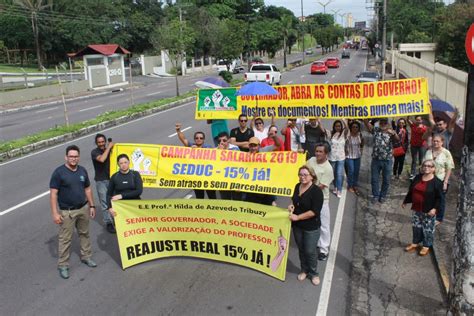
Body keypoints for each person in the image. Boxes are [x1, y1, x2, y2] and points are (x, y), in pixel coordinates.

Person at [49, 145, 97, 279]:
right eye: (71, 156)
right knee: (65, 239)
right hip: (67, 212)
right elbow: (53, 194)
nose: (73, 158)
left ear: (79, 157)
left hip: (83, 208)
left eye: (76, 156)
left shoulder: (82, 171)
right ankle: (63, 265)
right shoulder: (59, 173)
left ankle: (86, 256)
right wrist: (55, 213)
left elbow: (87, 189)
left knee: (84, 234)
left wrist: (92, 206)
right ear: (66, 157)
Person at [288, 165, 324, 286]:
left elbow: (314, 212)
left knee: (310, 250)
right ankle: (304, 269)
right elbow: (294, 200)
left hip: (311, 227)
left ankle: (314, 273)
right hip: (297, 226)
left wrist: (297, 217)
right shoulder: (297, 186)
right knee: (301, 249)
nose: (302, 177)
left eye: (305, 175)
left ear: (312, 177)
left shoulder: (317, 192)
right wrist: (291, 205)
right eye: (300, 174)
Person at [402, 159, 443, 256]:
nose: (426, 167)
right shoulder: (418, 177)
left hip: (428, 210)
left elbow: (439, 198)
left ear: (433, 169)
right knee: (416, 226)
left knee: (428, 228)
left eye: (429, 166)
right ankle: (415, 243)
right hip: (416, 208)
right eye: (425, 165)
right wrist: (405, 201)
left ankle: (426, 246)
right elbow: (411, 190)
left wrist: (434, 209)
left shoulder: (437, 182)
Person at [306, 143, 334, 261]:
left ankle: (324, 249)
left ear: (326, 153)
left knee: (324, 226)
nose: (317, 153)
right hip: (309, 198)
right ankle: (315, 242)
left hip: (321, 201)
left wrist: (305, 188)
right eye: (316, 151)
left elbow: (320, 186)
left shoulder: (328, 168)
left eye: (320, 152)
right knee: (312, 222)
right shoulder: (311, 160)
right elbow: (302, 170)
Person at [175, 123, 217, 199]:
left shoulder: (208, 147)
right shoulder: (191, 146)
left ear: (203, 140)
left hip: (208, 178)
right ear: (194, 139)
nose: (199, 139)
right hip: (196, 178)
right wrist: (178, 131)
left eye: (201, 138)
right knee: (199, 197)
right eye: (197, 138)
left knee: (212, 197)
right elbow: (183, 139)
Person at [364, 118, 399, 203]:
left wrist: (394, 134)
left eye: (385, 122)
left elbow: (397, 140)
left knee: (386, 179)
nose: (383, 124)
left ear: (387, 124)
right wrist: (366, 118)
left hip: (387, 160)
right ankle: (375, 195)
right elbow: (367, 124)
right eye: (381, 122)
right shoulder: (376, 130)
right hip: (376, 159)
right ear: (379, 123)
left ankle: (382, 195)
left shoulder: (391, 132)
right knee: (374, 179)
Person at [423, 135, 454, 225]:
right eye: (434, 141)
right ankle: (430, 214)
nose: (435, 143)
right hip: (429, 179)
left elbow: (449, 168)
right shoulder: (428, 151)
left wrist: (445, 181)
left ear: (442, 142)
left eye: (437, 141)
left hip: (440, 180)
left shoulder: (446, 153)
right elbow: (424, 165)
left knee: (440, 199)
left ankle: (439, 218)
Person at [244, 136, 281, 205]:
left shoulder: (264, 151)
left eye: (255, 145)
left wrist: (274, 137)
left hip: (265, 186)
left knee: (269, 206)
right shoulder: (245, 156)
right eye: (251, 146)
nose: (253, 148)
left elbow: (278, 145)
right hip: (252, 188)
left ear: (259, 146)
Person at [90, 134, 115, 234]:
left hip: (112, 179)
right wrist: (109, 147)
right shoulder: (94, 152)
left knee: (115, 201)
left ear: (105, 141)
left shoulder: (110, 149)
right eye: (99, 142)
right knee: (105, 203)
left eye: (102, 142)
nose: (101, 144)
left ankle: (117, 219)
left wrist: (114, 147)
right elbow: (102, 159)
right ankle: (108, 222)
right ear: (96, 143)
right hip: (101, 181)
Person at [215, 132, 242, 201]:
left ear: (229, 140)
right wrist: (219, 152)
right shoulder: (215, 150)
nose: (222, 142)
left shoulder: (235, 148)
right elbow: (216, 165)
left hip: (234, 179)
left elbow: (237, 163)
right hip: (223, 181)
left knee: (237, 200)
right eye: (219, 141)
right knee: (226, 201)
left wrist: (223, 152)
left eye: (224, 140)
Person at [328, 120, 349, 198]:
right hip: (332, 157)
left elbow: (347, 128)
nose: (338, 127)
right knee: (333, 174)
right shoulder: (331, 133)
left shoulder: (344, 134)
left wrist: (344, 121)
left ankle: (339, 189)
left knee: (339, 174)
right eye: (336, 126)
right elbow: (323, 130)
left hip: (341, 157)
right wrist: (319, 122)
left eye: (339, 126)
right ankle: (336, 186)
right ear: (334, 127)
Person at [345, 120, 364, 194]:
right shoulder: (348, 135)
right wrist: (345, 121)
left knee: (356, 172)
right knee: (351, 171)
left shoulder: (360, 135)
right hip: (349, 156)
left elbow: (362, 143)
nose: (355, 128)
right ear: (351, 128)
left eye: (356, 127)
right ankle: (350, 186)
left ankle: (355, 185)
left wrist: (362, 150)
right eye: (353, 127)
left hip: (357, 156)